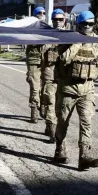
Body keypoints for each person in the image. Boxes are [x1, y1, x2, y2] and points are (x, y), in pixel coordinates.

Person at [55, 11, 98, 170]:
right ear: (78, 25)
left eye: (90, 24)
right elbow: (63, 59)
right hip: (68, 88)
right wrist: (78, 43)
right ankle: (60, 147)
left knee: (86, 122)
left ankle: (84, 155)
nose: (87, 27)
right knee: (62, 121)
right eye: (84, 24)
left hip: (87, 88)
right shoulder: (68, 39)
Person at [40, 9, 66, 141]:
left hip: (64, 75)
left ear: (64, 20)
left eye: (60, 19)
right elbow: (41, 50)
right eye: (55, 20)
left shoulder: (69, 35)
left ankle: (50, 124)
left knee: (60, 104)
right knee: (50, 99)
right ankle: (51, 128)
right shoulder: (46, 34)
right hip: (49, 72)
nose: (58, 22)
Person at [25, 6, 47, 123]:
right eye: (39, 13)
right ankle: (34, 111)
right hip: (34, 61)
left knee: (46, 87)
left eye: (44, 13)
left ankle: (43, 107)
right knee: (35, 88)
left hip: (47, 61)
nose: (42, 14)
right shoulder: (29, 29)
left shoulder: (48, 28)